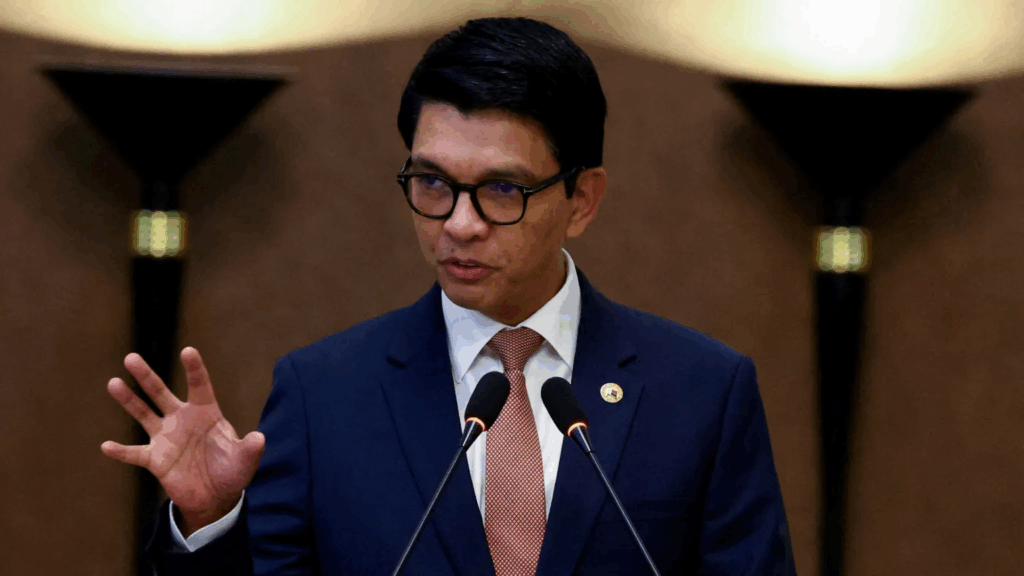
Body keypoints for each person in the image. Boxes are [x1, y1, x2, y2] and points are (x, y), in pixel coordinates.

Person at [101, 17, 796, 576]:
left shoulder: (702, 392)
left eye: (502, 189)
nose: (459, 224)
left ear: (582, 200)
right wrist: (211, 521)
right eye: (432, 183)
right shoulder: (324, 394)